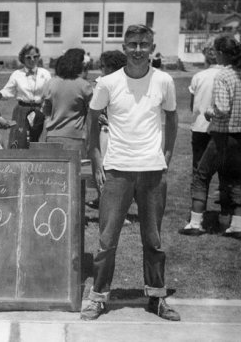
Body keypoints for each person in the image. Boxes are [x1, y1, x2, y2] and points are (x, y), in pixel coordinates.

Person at [81, 24, 180, 322]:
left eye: (144, 44)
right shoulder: (108, 82)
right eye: (132, 44)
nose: (138, 49)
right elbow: (92, 118)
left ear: (152, 47)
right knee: (107, 240)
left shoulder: (164, 80)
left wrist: (166, 155)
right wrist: (96, 157)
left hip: (151, 171)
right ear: (124, 47)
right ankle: (98, 298)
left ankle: (157, 298)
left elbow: (172, 118)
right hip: (117, 170)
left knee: (153, 240)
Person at [179, 35, 241, 240]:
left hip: (222, 135)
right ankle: (236, 225)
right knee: (234, 177)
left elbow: (222, 107)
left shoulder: (223, 76)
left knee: (202, 175)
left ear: (220, 54)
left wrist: (209, 112)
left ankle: (195, 223)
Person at [178, 41, 223, 236]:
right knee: (226, 172)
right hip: (223, 129)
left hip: (200, 128)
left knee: (199, 172)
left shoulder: (199, 76)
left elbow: (192, 107)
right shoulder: (229, 75)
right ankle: (227, 217)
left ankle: (197, 216)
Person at [86, 50, 127, 210]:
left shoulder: (124, 83)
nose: (101, 69)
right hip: (104, 131)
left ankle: (114, 204)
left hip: (120, 131)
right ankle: (103, 200)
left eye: (104, 66)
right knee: (101, 166)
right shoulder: (99, 83)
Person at [42, 48, 93, 157]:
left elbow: (46, 111)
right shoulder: (84, 86)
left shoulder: (51, 83)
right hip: (75, 137)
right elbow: (92, 115)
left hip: (52, 136)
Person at [0, 44, 51, 148]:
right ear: (22, 58)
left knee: (38, 138)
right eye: (28, 57)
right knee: (20, 139)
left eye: (35, 56)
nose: (32, 60)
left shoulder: (45, 73)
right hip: (22, 110)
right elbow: (8, 91)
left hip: (40, 110)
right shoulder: (17, 74)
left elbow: (51, 91)